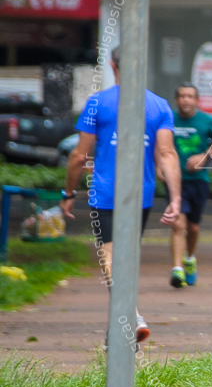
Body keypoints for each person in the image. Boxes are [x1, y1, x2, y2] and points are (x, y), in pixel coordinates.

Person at [60, 47, 182, 346]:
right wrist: (176, 199)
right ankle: (117, 331)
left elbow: (78, 155)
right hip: (142, 193)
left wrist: (68, 192)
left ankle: (131, 315)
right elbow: (166, 153)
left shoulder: (97, 103)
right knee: (125, 260)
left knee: (110, 257)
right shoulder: (159, 105)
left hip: (105, 192)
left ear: (114, 66)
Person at [169, 83, 212, 288]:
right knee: (178, 224)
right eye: (182, 96)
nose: (186, 100)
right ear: (177, 100)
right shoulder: (169, 119)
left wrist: (204, 156)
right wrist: (160, 166)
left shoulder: (206, 121)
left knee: (193, 227)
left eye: (190, 96)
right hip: (175, 181)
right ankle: (177, 270)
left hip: (199, 181)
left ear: (196, 100)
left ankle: (190, 259)